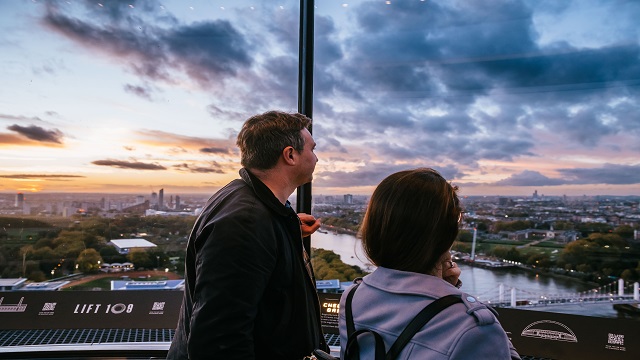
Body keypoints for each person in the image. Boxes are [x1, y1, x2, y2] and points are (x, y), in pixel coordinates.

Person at [168, 110, 328, 359]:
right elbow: (219, 343)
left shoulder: (246, 201)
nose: (316, 158)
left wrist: (286, 229)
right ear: (290, 155)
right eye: (312, 149)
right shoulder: (245, 224)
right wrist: (264, 231)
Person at [339, 168, 520, 359]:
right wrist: (453, 296)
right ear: (446, 234)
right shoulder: (472, 327)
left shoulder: (351, 297)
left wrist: (445, 292)